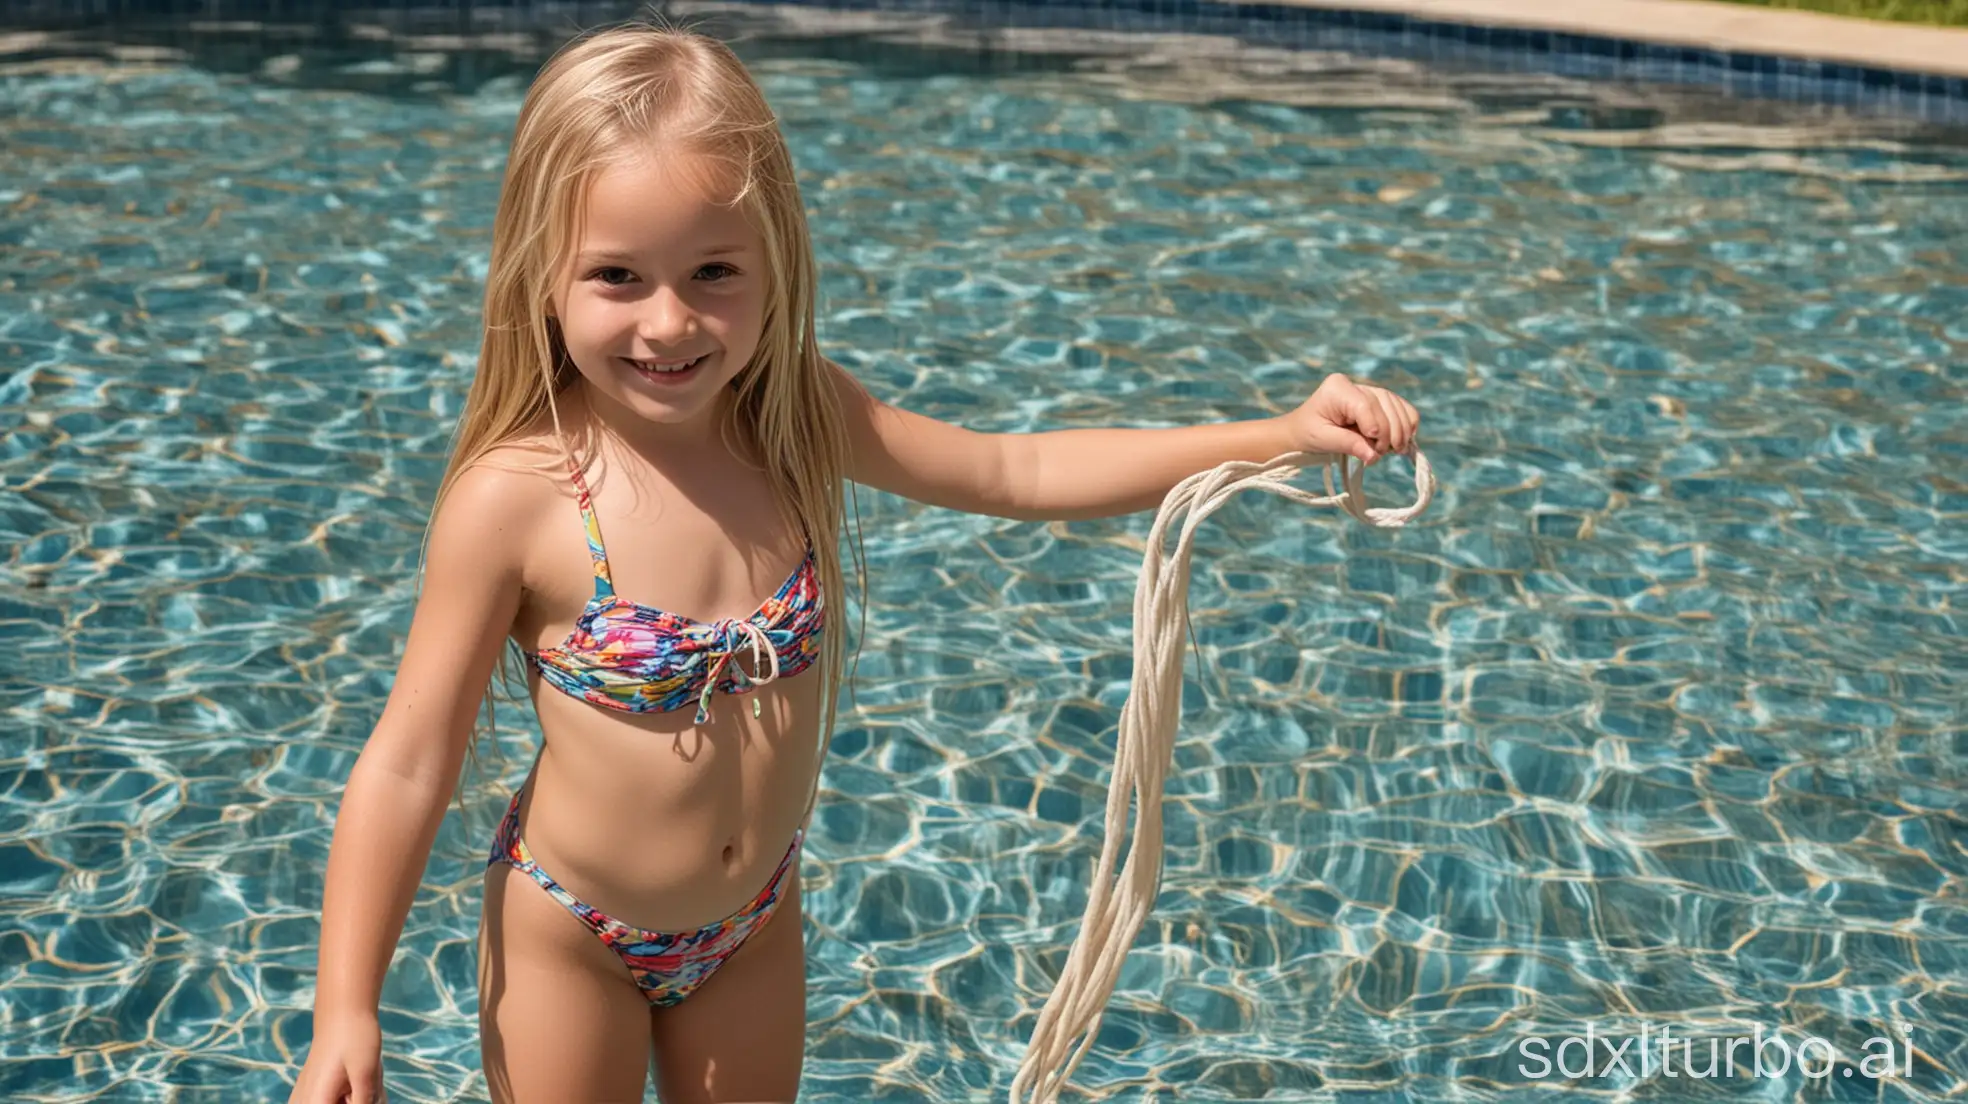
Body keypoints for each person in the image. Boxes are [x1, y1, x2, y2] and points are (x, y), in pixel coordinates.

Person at [287, 18, 1420, 1104]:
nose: (670, 323)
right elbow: (406, 762)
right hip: (570, 932)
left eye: (716, 273)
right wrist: (349, 1006)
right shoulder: (519, 499)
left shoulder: (793, 420)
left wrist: (1279, 432)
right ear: (542, 274)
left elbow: (1011, 476)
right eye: (618, 278)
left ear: (776, 260)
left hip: (753, 926)